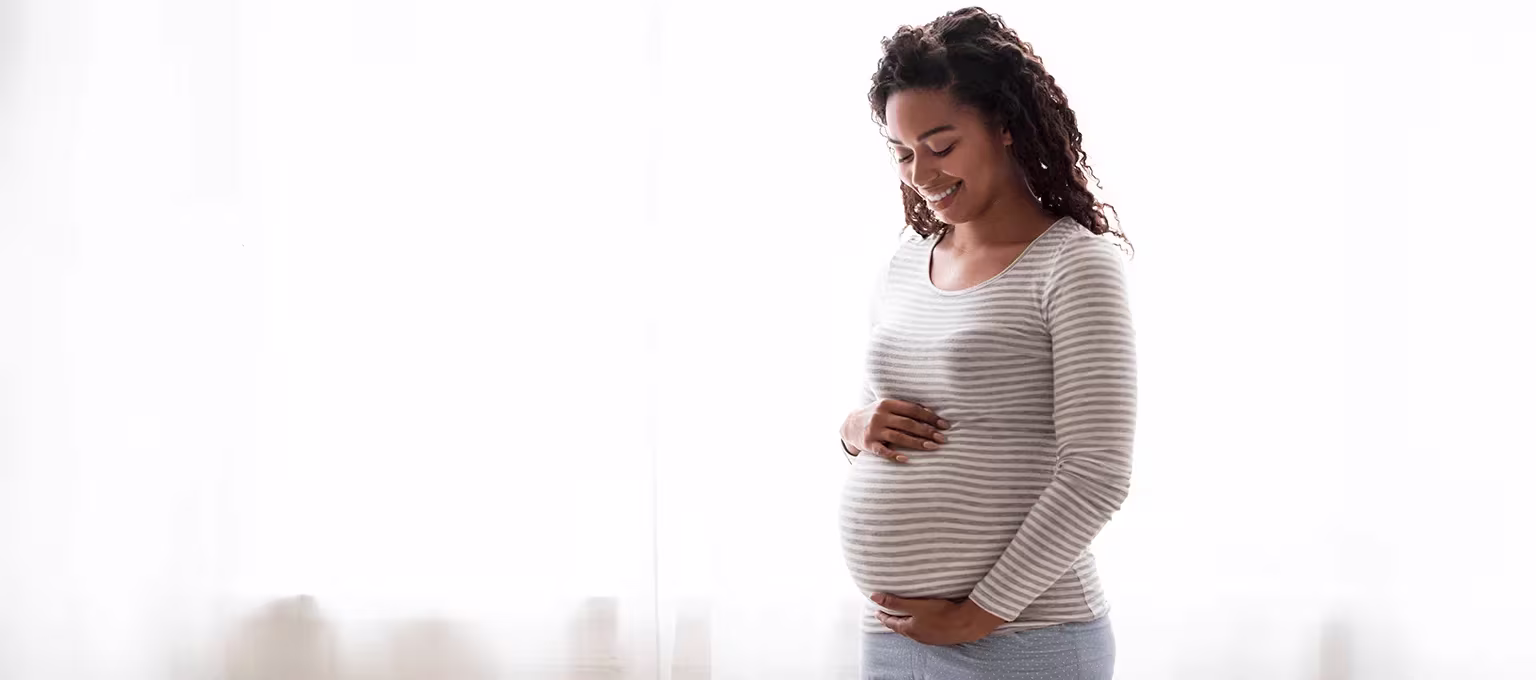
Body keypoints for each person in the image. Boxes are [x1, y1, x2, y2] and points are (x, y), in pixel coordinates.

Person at [836, 7, 1137, 679]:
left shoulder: (1073, 263)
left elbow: (1098, 474)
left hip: (1025, 639)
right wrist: (856, 427)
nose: (920, 173)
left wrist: (979, 614)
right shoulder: (907, 259)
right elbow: (871, 419)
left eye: (941, 146)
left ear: (1005, 126)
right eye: (903, 152)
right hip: (892, 638)